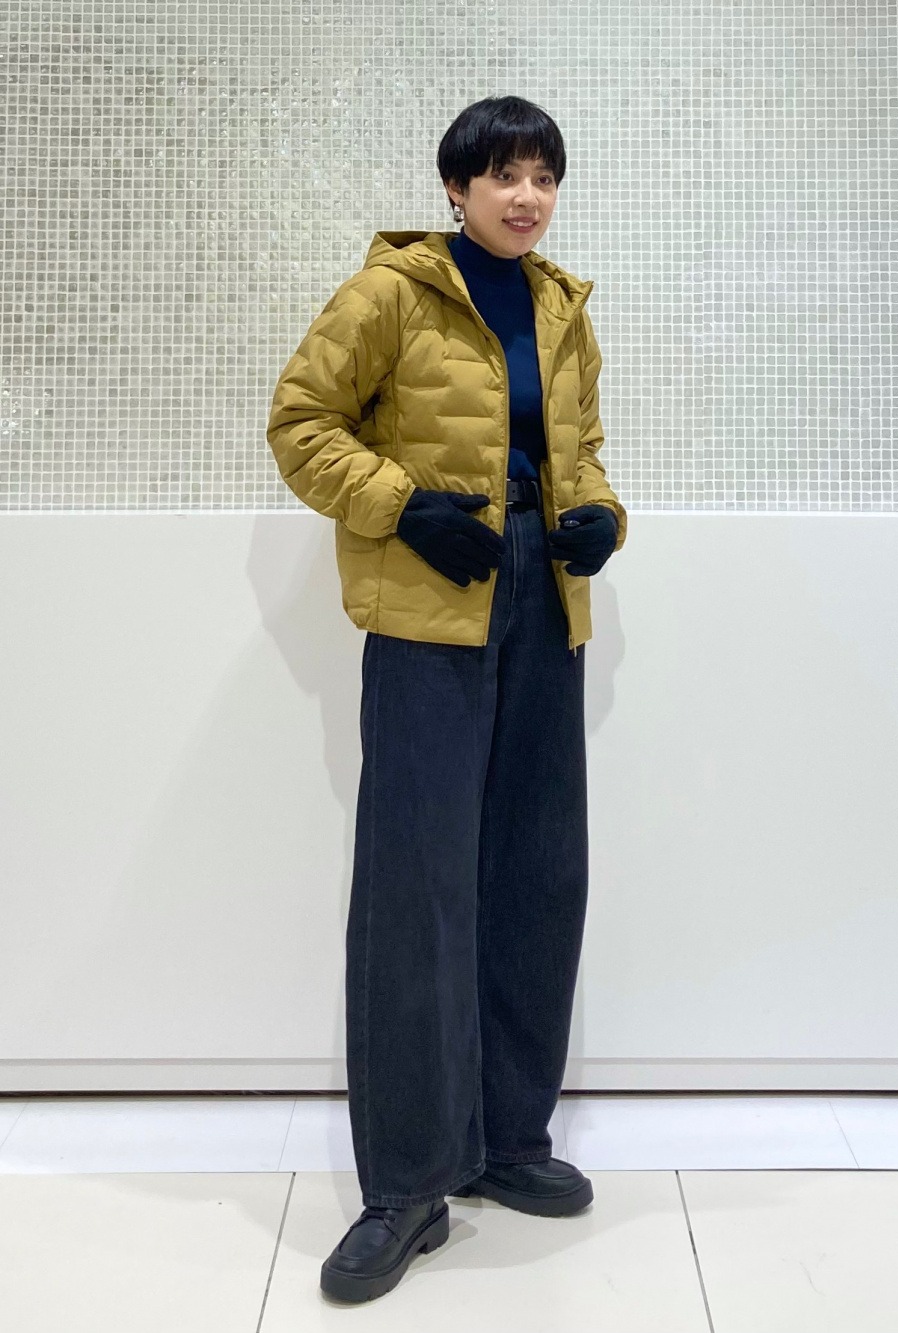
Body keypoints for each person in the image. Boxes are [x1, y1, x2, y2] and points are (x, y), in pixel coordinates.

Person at [266, 94, 627, 1303]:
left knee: (536, 867)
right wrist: (404, 507)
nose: (526, 196)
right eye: (502, 175)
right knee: (417, 884)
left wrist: (601, 518)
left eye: (543, 176)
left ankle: (505, 1138)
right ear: (456, 189)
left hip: (543, 602)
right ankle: (408, 1185)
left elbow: (582, 453)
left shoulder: (561, 306)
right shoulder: (390, 294)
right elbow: (301, 421)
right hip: (430, 611)